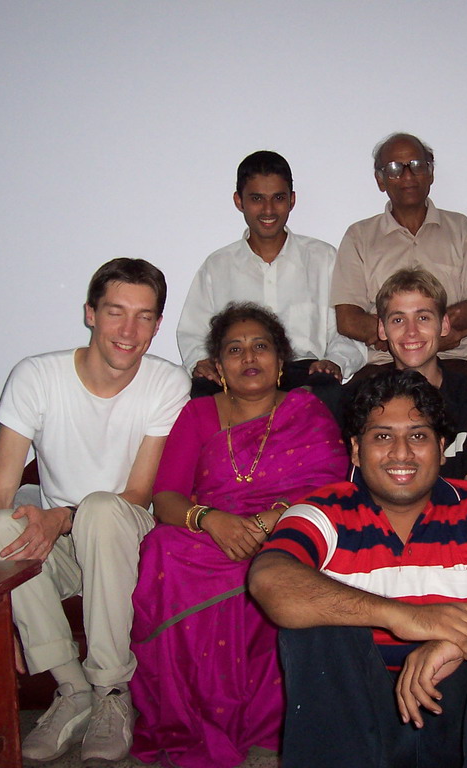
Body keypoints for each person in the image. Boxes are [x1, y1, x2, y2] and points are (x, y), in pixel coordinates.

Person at [248, 369, 467, 768]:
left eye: (418, 436)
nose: (400, 453)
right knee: (315, 627)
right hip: (359, 726)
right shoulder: (323, 511)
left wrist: (457, 638)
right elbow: (270, 577)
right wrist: (404, 618)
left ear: (440, 447)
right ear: (355, 450)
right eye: (382, 436)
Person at [0, 258, 190, 763]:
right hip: (63, 547)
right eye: (116, 312)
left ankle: (113, 692)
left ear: (158, 325)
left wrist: (63, 516)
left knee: (99, 509)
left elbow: (139, 495)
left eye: (143, 317)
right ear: (90, 313)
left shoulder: (167, 383)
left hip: (126, 537)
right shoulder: (35, 375)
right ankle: (72, 690)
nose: (128, 331)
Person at [130, 303, 349, 768]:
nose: (249, 357)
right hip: (211, 533)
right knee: (161, 547)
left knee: (292, 561)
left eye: (261, 346)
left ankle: (271, 717)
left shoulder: (307, 410)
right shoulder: (197, 415)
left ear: (280, 359)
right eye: (235, 349)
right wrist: (210, 519)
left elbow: (333, 491)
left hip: (288, 530)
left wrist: (274, 518)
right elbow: (166, 496)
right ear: (219, 365)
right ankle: (193, 714)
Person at [176, 150, 365, 402]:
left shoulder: (324, 259)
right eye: (256, 198)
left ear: (292, 200)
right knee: (202, 392)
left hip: (305, 371)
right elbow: (194, 331)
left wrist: (335, 362)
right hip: (239, 372)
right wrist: (201, 361)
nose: (268, 209)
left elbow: (345, 330)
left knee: (329, 392)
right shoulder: (218, 266)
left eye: (278, 198)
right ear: (239, 201)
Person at [330, 133, 467, 375]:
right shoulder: (359, 236)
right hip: (385, 363)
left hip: (454, 359)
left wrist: (434, 338)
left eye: (417, 166)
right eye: (395, 168)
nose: (407, 175)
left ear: (430, 174)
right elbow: (347, 320)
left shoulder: (460, 228)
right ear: (381, 180)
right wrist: (400, 340)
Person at [342, 267, 467, 479]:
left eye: (423, 318)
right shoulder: (358, 398)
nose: (411, 331)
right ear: (382, 329)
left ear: (444, 324)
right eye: (398, 320)